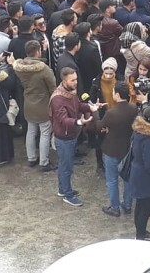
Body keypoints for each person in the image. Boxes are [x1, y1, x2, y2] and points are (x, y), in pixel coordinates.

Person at [51, 66, 100, 207]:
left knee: (64, 165)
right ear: (64, 81)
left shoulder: (71, 92)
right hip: (64, 137)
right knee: (66, 167)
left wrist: (90, 107)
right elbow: (62, 120)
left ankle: (63, 189)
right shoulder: (58, 99)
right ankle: (68, 194)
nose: (76, 82)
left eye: (76, 79)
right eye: (72, 80)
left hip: (70, 135)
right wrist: (78, 122)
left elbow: (78, 105)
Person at [94, 82, 137, 217]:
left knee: (112, 180)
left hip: (112, 149)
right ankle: (128, 204)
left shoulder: (111, 113)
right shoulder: (133, 109)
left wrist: (95, 112)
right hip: (127, 149)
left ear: (117, 94)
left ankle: (114, 207)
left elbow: (99, 126)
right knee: (127, 178)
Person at [15, 39, 56, 170]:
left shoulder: (19, 68)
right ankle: (44, 162)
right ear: (38, 52)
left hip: (28, 103)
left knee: (31, 131)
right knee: (45, 133)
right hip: (43, 105)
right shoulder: (44, 69)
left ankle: (31, 158)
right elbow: (52, 88)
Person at [129, 105, 150, 240]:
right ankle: (141, 235)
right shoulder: (149, 140)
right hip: (144, 177)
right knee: (146, 208)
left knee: (140, 205)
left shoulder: (138, 132)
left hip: (136, 171)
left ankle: (140, 231)